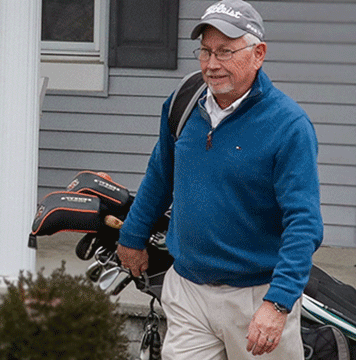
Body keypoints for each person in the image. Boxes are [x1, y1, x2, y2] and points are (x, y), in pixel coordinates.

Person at [115, 0, 323, 358]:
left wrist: (278, 303)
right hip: (188, 291)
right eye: (205, 52)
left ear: (258, 54)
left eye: (225, 52)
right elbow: (161, 174)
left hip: (256, 297)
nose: (212, 65)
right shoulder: (183, 102)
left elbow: (303, 223)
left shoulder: (289, 126)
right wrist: (132, 235)